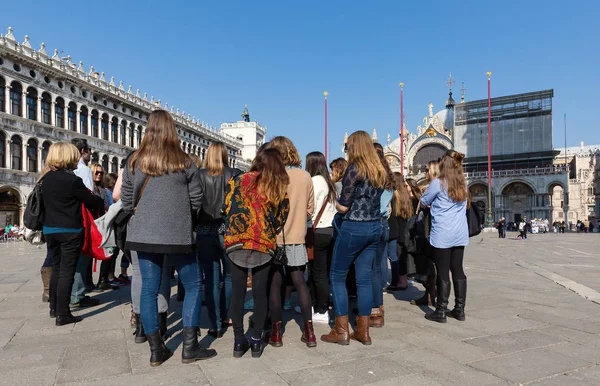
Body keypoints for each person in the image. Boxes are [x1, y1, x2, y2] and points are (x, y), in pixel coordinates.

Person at [121, 110, 216, 366]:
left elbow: (127, 202)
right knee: (194, 285)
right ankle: (189, 346)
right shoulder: (185, 161)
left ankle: (156, 350)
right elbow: (197, 199)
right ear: (172, 130)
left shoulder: (133, 161)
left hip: (142, 234)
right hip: (178, 235)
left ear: (148, 129)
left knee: (149, 290)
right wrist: (180, 216)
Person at [224, 148, 290, 358]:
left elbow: (225, 208)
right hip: (263, 244)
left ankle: (237, 342)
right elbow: (281, 219)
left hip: (236, 242)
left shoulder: (237, 180)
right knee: (260, 294)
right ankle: (255, 342)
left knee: (238, 292)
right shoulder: (278, 187)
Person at [321, 130, 385, 346]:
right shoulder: (378, 170)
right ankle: (363, 331)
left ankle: (341, 331)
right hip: (374, 227)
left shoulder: (354, 169)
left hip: (353, 228)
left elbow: (343, 205)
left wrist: (337, 203)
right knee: (364, 278)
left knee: (337, 276)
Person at [40, 142, 105, 326]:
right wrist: (99, 202)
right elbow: (92, 200)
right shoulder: (72, 180)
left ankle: (54, 308)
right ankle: (63, 314)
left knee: (57, 269)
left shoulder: (46, 179)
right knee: (67, 271)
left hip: (50, 230)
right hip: (70, 230)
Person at [265, 137, 316, 348]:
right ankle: (309, 332)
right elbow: (310, 210)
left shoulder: (272, 176)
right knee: (299, 282)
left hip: (274, 238)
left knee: (275, 283)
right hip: (297, 237)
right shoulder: (305, 177)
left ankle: (276, 333)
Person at [197, 142, 241, 337]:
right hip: (228, 231)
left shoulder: (199, 175)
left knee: (211, 280)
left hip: (205, 231)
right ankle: (227, 315)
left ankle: (214, 324)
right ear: (224, 154)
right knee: (230, 277)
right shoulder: (235, 174)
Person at [420, 150, 469, 323]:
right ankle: (459, 309)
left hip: (442, 234)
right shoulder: (464, 185)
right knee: (458, 270)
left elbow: (423, 201)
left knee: (442, 272)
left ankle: (440, 311)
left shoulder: (438, 183)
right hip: (460, 233)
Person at [304, 151, 337, 324]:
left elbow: (310, 207)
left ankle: (321, 309)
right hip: (329, 230)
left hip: (316, 231)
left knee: (317, 272)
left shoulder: (315, 181)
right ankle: (318, 305)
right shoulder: (328, 182)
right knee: (322, 271)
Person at [70, 138, 100, 307]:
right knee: (82, 258)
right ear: (83, 151)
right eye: (89, 150)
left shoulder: (65, 169)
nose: (90, 154)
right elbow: (89, 196)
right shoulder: (84, 169)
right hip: (83, 219)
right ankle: (78, 295)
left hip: (65, 218)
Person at [369, 143, 394, 328]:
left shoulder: (373, 177)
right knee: (377, 268)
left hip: (372, 223)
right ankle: (377, 308)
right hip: (384, 223)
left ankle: (373, 308)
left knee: (370, 269)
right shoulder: (388, 178)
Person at [386, 173, 414, 293]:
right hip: (405, 228)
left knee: (395, 256)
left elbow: (394, 214)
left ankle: (398, 281)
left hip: (396, 229)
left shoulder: (394, 195)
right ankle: (404, 279)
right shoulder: (405, 195)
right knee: (401, 255)